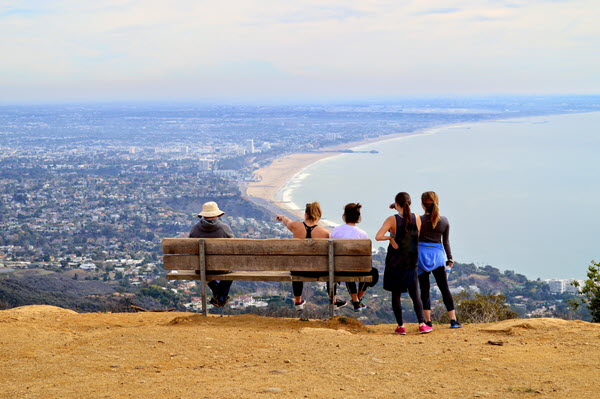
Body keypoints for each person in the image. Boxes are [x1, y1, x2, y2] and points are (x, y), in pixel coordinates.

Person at [375, 192, 432, 334]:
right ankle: (422, 324)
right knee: (415, 294)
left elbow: (378, 237)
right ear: (410, 203)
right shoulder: (417, 218)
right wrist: (396, 206)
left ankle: (401, 326)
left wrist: (390, 238)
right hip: (411, 261)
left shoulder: (392, 220)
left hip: (395, 262)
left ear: (397, 204)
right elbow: (414, 235)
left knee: (396, 294)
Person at [276, 202, 346, 311]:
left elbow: (287, 222)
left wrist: (282, 217)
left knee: (297, 265)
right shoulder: (324, 233)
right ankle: (333, 301)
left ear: (305, 214)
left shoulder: (295, 226)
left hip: (298, 270)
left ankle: (298, 301)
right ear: (318, 216)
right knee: (331, 270)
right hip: (318, 270)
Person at [417, 191, 462, 329]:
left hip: (421, 256)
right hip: (438, 257)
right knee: (444, 288)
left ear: (423, 204)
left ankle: (428, 322)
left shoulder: (418, 220)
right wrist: (449, 258)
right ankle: (453, 320)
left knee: (425, 289)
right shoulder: (444, 221)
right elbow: (445, 242)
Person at [189, 201, 234, 308]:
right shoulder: (224, 228)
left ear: (204, 214)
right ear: (217, 213)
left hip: (200, 267)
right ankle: (221, 297)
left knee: (205, 272)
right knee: (230, 272)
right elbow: (234, 246)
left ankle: (219, 296)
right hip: (221, 267)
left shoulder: (195, 228)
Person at [330, 203, 373, 312]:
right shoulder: (362, 234)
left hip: (338, 268)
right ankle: (358, 299)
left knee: (347, 268)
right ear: (358, 218)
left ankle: (356, 300)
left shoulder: (336, 230)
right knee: (373, 272)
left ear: (344, 216)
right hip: (355, 269)